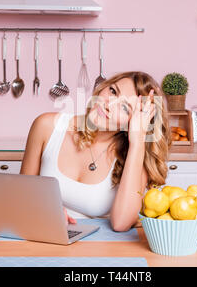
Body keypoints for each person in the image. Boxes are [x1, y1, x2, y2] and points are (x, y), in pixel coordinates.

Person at [20, 71, 171, 232]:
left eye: (125, 108)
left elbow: (121, 223)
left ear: (132, 124)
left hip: (98, 249)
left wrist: (137, 142)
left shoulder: (133, 155)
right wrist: (46, 208)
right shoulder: (47, 126)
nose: (108, 104)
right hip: (42, 239)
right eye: (113, 91)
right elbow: (21, 195)